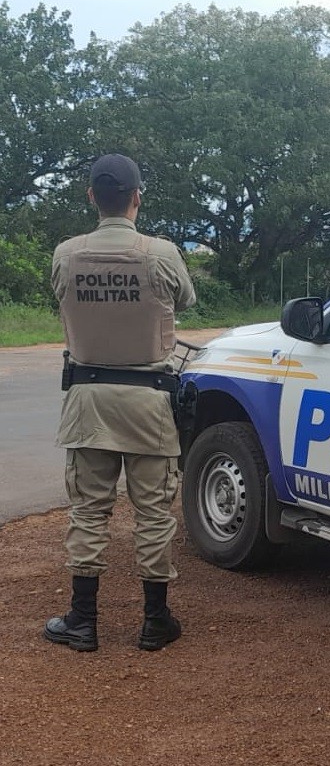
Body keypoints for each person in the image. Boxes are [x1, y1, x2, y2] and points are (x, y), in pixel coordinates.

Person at [44, 154, 196, 652]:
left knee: (89, 510)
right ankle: (156, 620)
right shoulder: (161, 253)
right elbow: (187, 300)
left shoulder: (67, 254)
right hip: (148, 399)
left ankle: (82, 620)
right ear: (137, 196)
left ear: (91, 196)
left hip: (88, 397)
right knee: (153, 512)